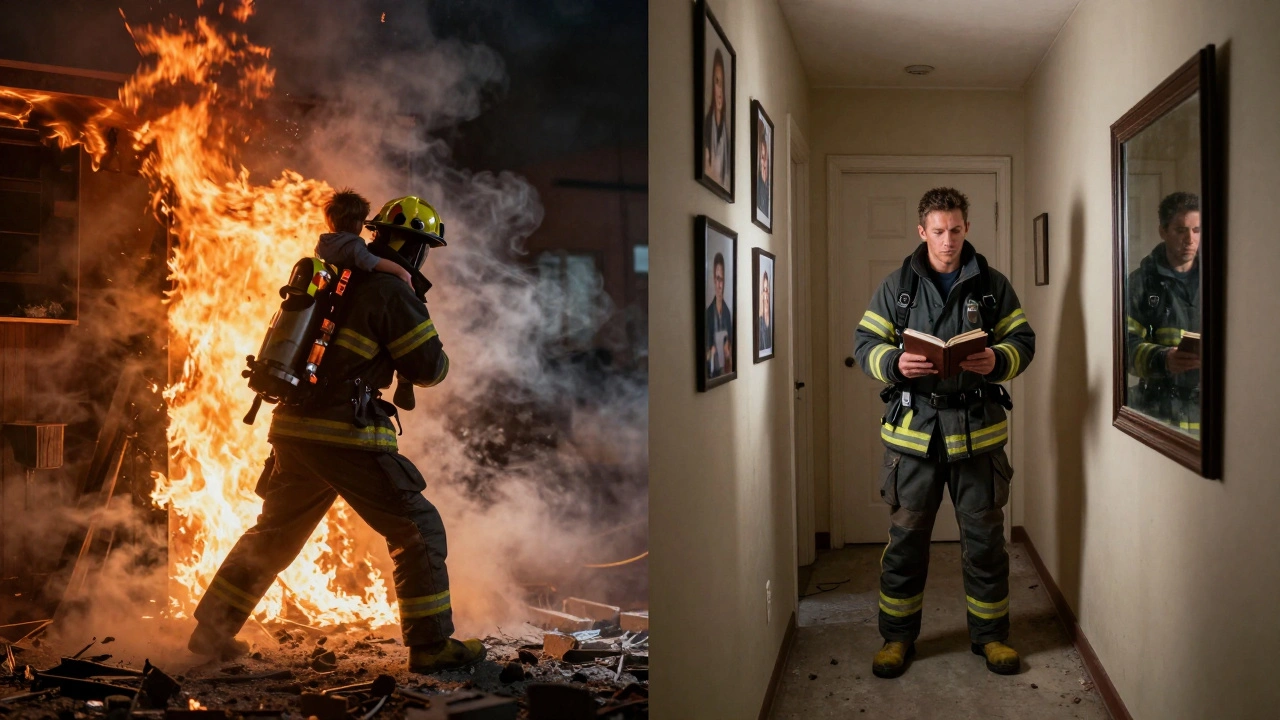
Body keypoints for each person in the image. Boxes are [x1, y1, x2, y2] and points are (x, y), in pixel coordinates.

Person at [187, 195, 487, 675]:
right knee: (418, 529)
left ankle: (213, 629)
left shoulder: (337, 278)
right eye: (424, 248)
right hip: (344, 435)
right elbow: (429, 368)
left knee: (275, 534)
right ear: (413, 247)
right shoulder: (391, 290)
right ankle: (431, 645)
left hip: (293, 431)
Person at [852, 187, 1035, 679]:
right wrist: (894, 362)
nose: (948, 240)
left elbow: (1023, 340)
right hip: (914, 440)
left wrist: (998, 359)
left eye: (955, 230)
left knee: (985, 543)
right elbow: (865, 341)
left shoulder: (992, 286)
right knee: (905, 545)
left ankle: (991, 637)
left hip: (977, 436)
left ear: (967, 228)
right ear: (922, 232)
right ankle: (897, 638)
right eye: (938, 231)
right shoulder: (898, 287)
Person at [1125, 191, 1201, 433]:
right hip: (1159, 413)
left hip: (1211, 415)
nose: (1190, 239)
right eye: (1181, 230)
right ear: (1163, 231)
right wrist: (1164, 359)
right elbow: (1123, 347)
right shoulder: (1141, 283)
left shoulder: (1222, 278)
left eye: (1196, 230)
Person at [316, 189, 412, 285]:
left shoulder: (323, 242)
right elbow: (373, 263)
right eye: (362, 221)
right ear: (354, 223)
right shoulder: (353, 245)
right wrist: (402, 272)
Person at [702, 48, 730, 186]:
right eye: (716, 82)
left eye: (722, 84)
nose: (720, 92)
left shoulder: (726, 137)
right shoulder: (706, 127)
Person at [706, 251, 733, 376]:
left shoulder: (727, 313)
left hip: (726, 374)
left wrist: (728, 351)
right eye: (717, 279)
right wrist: (710, 352)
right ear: (713, 280)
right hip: (713, 374)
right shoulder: (708, 315)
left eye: (721, 279)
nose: (719, 285)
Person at [755, 121, 770, 219]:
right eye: (762, 157)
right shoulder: (758, 185)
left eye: (766, 159)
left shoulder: (766, 189)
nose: (764, 163)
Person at [758, 269, 772, 354]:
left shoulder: (773, 318)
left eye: (767, 290)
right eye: (764, 290)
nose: (766, 296)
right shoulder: (760, 322)